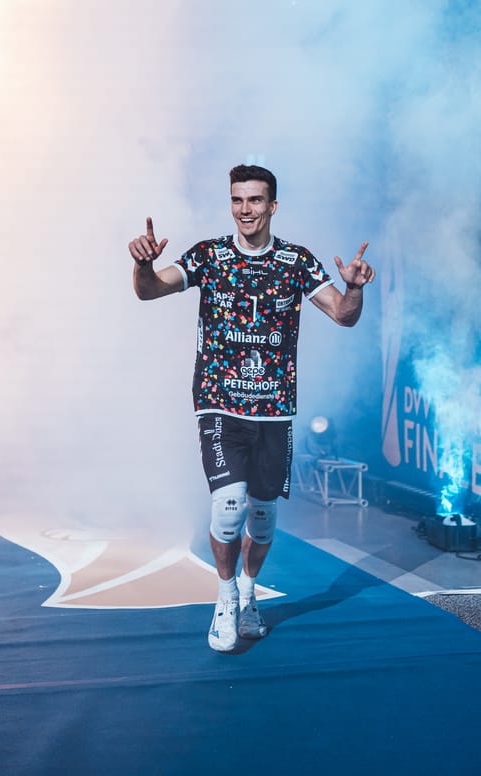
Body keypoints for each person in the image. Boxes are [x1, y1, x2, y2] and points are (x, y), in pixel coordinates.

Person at [127, 165, 373, 652]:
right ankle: (224, 599)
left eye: (255, 200)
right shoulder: (209, 255)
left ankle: (247, 591)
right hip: (219, 403)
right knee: (229, 506)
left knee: (261, 518)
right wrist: (143, 265)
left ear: (272, 206)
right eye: (238, 200)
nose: (245, 209)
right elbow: (150, 289)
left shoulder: (296, 261)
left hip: (274, 411)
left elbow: (343, 316)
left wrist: (355, 289)